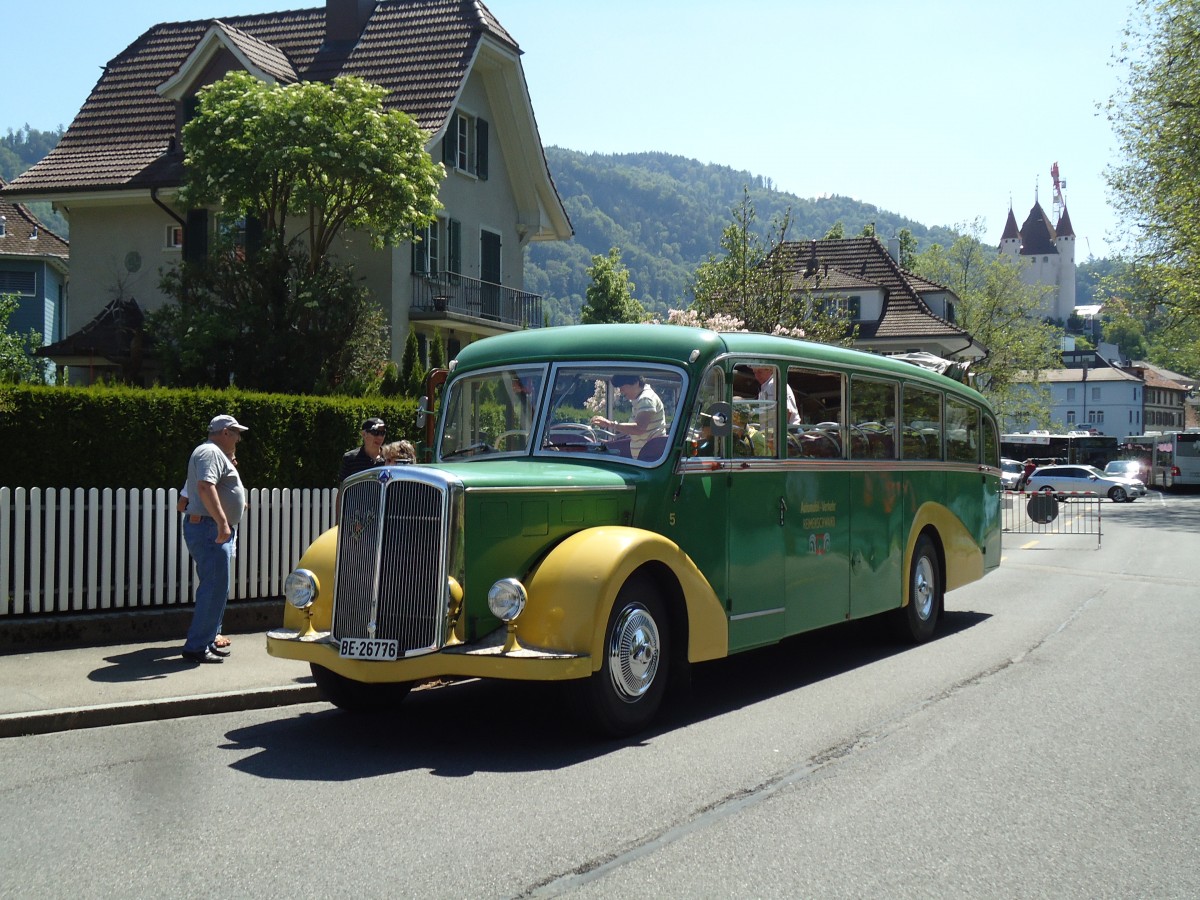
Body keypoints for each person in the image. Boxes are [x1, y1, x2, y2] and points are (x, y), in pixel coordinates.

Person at [181, 414, 248, 664]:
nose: (239, 439)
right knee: (212, 588)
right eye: (237, 433)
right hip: (210, 528)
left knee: (218, 587)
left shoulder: (214, 453)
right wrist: (222, 522)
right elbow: (205, 487)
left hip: (210, 528)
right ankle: (196, 646)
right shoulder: (209, 452)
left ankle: (206, 641)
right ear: (225, 432)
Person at [591, 373, 667, 455]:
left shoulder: (646, 399)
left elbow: (639, 428)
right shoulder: (640, 399)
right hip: (646, 456)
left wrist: (609, 424)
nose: (621, 391)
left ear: (635, 383)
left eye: (622, 387)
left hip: (650, 457)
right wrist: (612, 443)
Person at [339, 417, 388, 483]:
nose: (380, 437)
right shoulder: (350, 458)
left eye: (383, 433)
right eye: (375, 432)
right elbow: (343, 488)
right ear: (364, 434)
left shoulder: (389, 458)